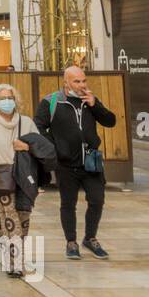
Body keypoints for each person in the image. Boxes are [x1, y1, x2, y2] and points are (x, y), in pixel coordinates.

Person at [35, 65, 117, 261]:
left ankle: (90, 238)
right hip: (66, 164)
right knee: (68, 203)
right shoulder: (52, 101)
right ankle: (71, 242)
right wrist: (56, 148)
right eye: (76, 81)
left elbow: (110, 121)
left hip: (91, 161)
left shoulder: (89, 100)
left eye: (84, 81)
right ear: (66, 82)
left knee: (97, 200)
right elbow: (39, 126)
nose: (81, 85)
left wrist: (95, 104)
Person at [0, 84, 36, 278]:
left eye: (10, 97)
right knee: (11, 218)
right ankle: (17, 264)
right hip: (1, 175)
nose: (7, 101)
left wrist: (26, 146)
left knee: (22, 220)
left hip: (24, 176)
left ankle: (9, 259)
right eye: (2, 98)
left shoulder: (26, 122)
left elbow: (40, 147)